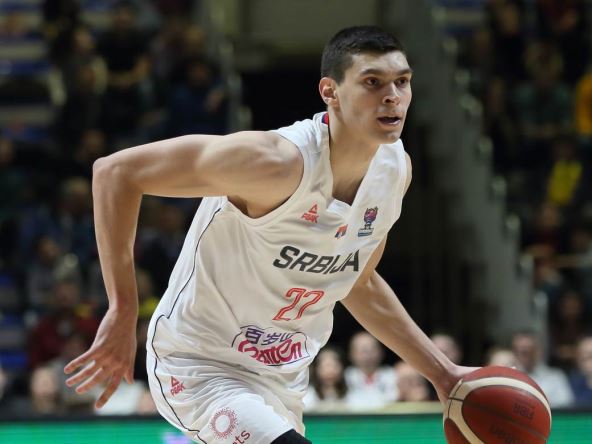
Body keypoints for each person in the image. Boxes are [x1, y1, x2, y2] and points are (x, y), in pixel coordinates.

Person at [64, 26, 476, 443]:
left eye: (402, 82)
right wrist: (122, 308)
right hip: (199, 365)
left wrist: (443, 374)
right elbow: (116, 172)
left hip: (282, 380)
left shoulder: (394, 171)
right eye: (373, 82)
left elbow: (359, 282)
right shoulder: (275, 163)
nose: (392, 96)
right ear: (330, 92)